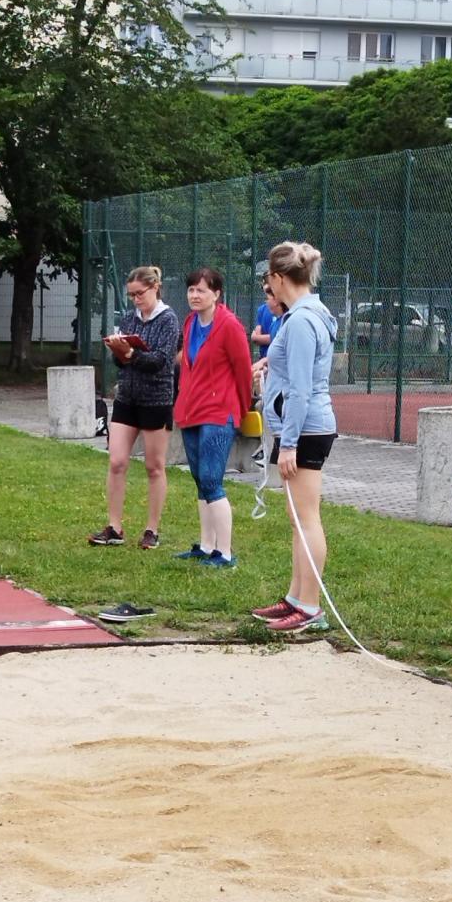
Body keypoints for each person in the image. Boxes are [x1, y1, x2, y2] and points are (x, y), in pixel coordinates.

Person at [250, 241, 339, 635]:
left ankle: (310, 606)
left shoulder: (302, 320)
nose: (267, 286)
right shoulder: (302, 315)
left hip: (305, 429)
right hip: (297, 426)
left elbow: (302, 389)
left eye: (268, 279)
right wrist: (272, 366)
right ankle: (295, 598)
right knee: (297, 518)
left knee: (307, 517)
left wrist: (288, 444)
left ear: (279, 277)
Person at [89, 264, 179, 548]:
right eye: (131, 295)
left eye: (140, 293)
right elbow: (122, 362)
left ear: (155, 288)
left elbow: (160, 361)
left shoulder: (168, 319)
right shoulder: (129, 318)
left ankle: (152, 529)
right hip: (127, 397)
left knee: (154, 466)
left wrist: (130, 353)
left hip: (156, 399)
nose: (136, 299)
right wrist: (119, 351)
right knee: (116, 462)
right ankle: (114, 527)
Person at [171, 267, 253, 569]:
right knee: (199, 480)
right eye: (191, 290)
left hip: (219, 412)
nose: (194, 295)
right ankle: (206, 546)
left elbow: (243, 372)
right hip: (191, 410)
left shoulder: (230, 325)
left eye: (201, 290)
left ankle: (225, 552)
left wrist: (240, 410)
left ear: (216, 294)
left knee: (211, 479)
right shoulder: (190, 322)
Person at [251, 275, 282, 360]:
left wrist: (259, 338)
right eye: (264, 282)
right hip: (263, 358)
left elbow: (279, 339)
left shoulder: (287, 313)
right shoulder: (262, 309)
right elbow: (256, 338)